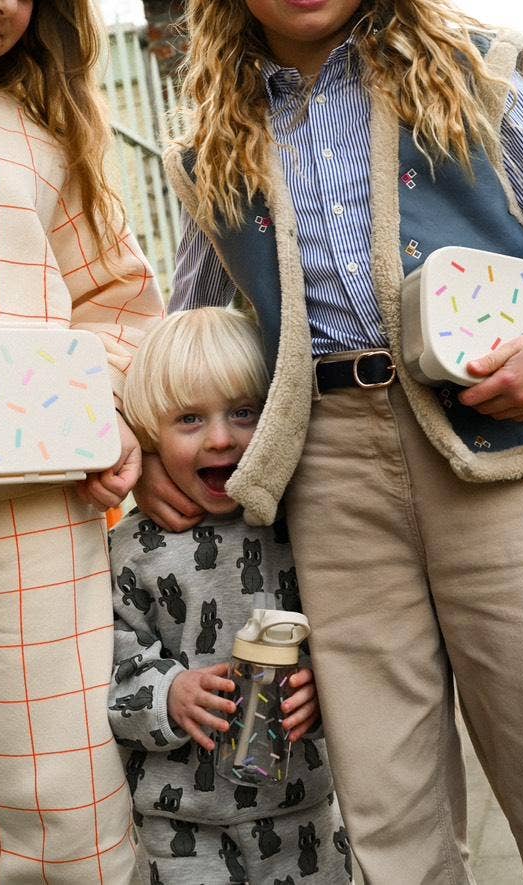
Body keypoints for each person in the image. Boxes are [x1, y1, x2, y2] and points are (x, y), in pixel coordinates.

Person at [133, 1, 523, 883]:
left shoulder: (467, 71)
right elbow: (188, 322)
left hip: (496, 446)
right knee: (383, 793)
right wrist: (145, 444)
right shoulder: (218, 140)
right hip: (327, 470)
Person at [0, 1, 162, 882]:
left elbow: (118, 304)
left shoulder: (40, 131)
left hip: (30, 506)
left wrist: (111, 408)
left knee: (61, 790)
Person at [108, 307, 352, 885]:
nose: (221, 438)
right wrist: (169, 694)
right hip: (180, 825)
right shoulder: (132, 548)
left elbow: (356, 632)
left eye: (243, 413)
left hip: (304, 814)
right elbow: (108, 664)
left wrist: (327, 687)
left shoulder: (302, 525)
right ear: (148, 434)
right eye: (189, 419)